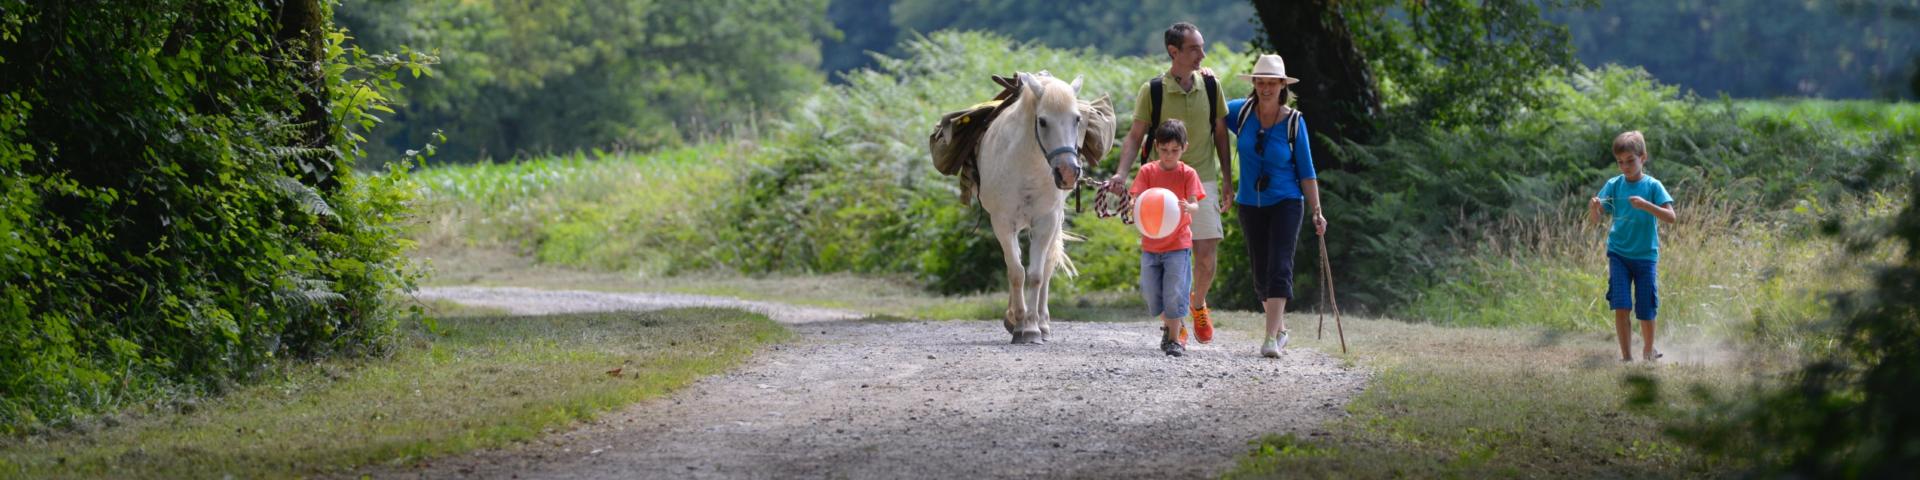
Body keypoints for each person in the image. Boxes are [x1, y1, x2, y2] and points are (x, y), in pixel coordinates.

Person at [1106, 22, 1234, 346]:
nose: (1202, 55)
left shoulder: (1211, 84)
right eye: (1194, 49)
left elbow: (1220, 133)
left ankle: (1198, 303)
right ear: (1173, 52)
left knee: (1205, 255)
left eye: (1202, 47)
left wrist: (1228, 180)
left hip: (1201, 177)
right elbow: (1135, 135)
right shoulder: (1154, 90)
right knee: (1165, 257)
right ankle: (1173, 324)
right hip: (1160, 184)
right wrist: (1122, 174)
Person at [1224, 54, 1325, 358]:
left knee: (1279, 266)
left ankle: (1270, 339)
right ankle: (1280, 330)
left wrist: (1317, 210)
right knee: (1260, 274)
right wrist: (1207, 77)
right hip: (1249, 203)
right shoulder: (1238, 113)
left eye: (1272, 83)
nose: (1266, 88)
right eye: (1261, 82)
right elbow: (1210, 108)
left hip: (1286, 202)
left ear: (1282, 85)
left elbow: (1306, 171)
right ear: (1254, 84)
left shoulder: (1295, 122)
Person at [1587, 131, 1677, 362]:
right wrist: (1594, 208)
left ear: (1643, 158)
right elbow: (1596, 220)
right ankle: (1626, 357)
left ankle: (1648, 350)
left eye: (1630, 161)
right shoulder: (1613, 185)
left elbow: (1671, 217)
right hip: (1618, 254)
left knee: (1646, 306)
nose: (1625, 166)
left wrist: (1647, 205)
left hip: (1646, 256)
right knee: (1621, 304)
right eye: (1620, 162)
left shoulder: (1653, 186)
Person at [1132, 119, 1207, 357]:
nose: (1169, 155)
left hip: (1178, 244)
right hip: (1151, 244)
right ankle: (1172, 325)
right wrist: (1133, 206)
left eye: (1174, 151)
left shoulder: (1188, 174)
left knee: (1174, 290)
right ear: (1156, 146)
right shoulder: (1147, 172)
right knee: (1152, 294)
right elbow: (1137, 199)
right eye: (1164, 150)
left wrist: (1188, 207)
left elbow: (1196, 205)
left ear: (1184, 147)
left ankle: (1174, 339)